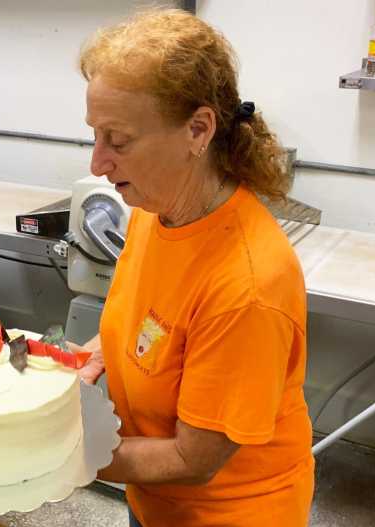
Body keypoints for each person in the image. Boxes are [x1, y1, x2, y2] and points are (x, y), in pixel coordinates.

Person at [71, 8, 314, 527]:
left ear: (198, 130)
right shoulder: (154, 210)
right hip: (154, 502)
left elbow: (192, 460)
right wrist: (91, 357)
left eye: (118, 140)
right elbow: (153, 326)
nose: (97, 163)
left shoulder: (248, 285)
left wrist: (51, 451)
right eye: (94, 135)